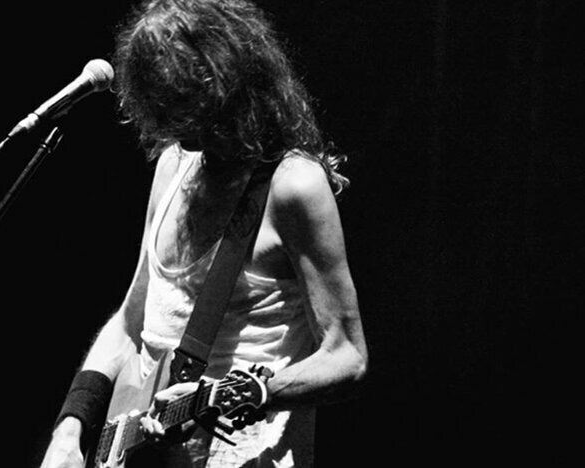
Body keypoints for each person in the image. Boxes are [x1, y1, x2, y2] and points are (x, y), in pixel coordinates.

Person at [41, 1, 367, 466]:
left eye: (180, 102)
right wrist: (70, 428)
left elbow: (347, 356)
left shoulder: (292, 186)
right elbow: (130, 322)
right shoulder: (174, 165)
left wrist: (258, 392)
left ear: (223, 83)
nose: (172, 123)